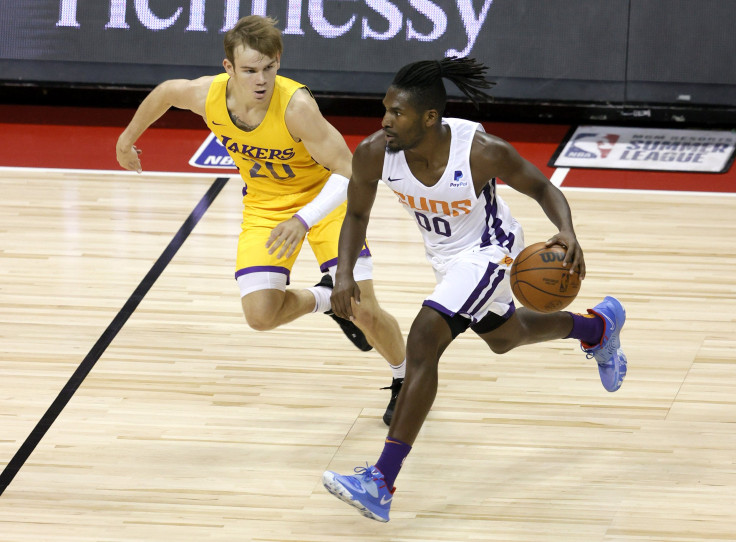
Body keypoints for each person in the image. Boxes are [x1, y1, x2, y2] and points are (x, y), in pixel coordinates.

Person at [321, 57, 628, 522]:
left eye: (396, 112)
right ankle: (596, 328)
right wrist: (343, 273)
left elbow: (542, 187)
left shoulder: (480, 151)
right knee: (505, 337)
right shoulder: (374, 152)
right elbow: (357, 215)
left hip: (493, 248)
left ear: (429, 118)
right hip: (446, 257)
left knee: (424, 340)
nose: (385, 119)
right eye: (385, 108)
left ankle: (380, 481)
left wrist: (566, 231)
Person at [115, 15, 406, 424]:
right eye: (250, 70)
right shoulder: (207, 96)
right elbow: (165, 93)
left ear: (278, 62)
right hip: (266, 207)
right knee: (260, 315)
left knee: (364, 311)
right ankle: (326, 297)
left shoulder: (297, 108)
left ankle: (404, 379)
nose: (261, 79)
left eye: (269, 68)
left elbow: (351, 171)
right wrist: (127, 139)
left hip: (324, 203)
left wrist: (304, 219)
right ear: (228, 68)